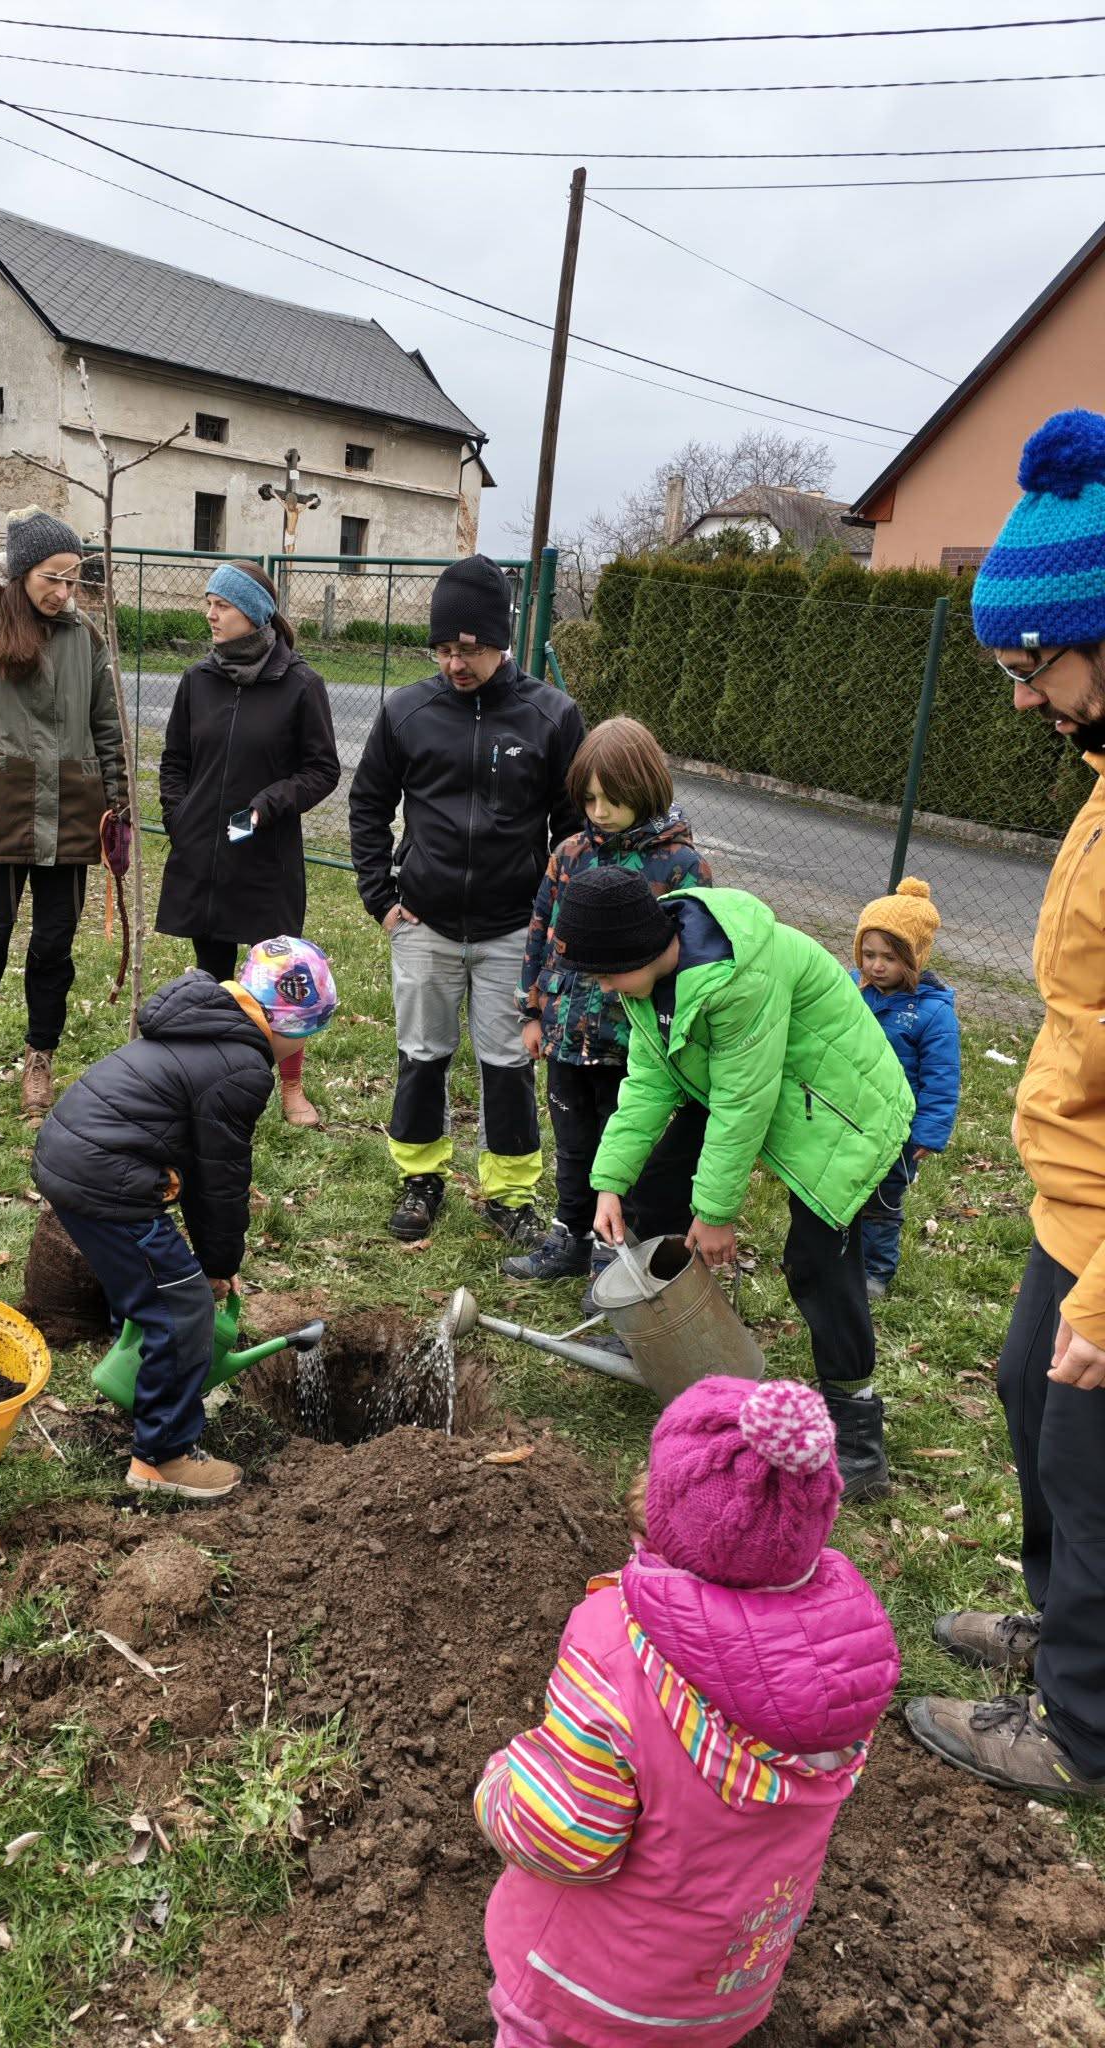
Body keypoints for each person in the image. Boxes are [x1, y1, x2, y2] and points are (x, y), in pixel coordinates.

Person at [476, 1374, 899, 2048]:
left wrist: (503, 1784)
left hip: (587, 1990)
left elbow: (569, 1836)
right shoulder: (848, 1659)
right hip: (726, 1988)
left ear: (667, 1509)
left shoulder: (613, 1646)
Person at [906, 407, 1105, 1800]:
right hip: (1072, 1190)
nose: (1025, 699)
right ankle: (1063, 1638)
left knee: (1097, 1470)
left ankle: (1085, 1732)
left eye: (1037, 664)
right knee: (1032, 1415)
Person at [567, 869, 914, 1498]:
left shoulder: (738, 975)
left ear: (633, 952)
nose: (600, 986)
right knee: (654, 1185)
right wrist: (610, 1182)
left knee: (818, 1261)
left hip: (838, 1111)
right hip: (766, 1093)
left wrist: (717, 1212)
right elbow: (649, 1083)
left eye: (603, 973)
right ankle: (673, 1335)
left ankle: (858, 1430)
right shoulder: (647, 985)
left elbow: (743, 1102)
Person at [31, 937, 336, 1502]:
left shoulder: (206, 1024)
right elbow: (219, 1179)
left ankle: (154, 1395)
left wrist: (207, 1258)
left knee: (161, 1286)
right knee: (183, 1306)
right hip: (105, 1177)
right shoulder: (242, 1066)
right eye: (307, 1031)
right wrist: (216, 1266)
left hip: (73, 1156)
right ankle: (162, 1458)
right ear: (287, 1022)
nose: (303, 1044)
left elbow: (193, 1160)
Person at [348, 555, 585, 1245]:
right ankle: (419, 1178)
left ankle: (510, 1193)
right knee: (422, 1052)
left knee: (508, 1063)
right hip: (424, 921)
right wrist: (380, 895)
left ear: (500, 641)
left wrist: (553, 917)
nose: (456, 663)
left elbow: (573, 825)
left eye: (471, 649)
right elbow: (368, 804)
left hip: (515, 928)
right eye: (445, 649)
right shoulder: (407, 711)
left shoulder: (550, 715)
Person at [0, 507, 127, 1119]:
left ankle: (40, 1058)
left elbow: (109, 728)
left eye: (74, 580)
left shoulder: (85, 637)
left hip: (70, 819)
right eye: (52, 578)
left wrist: (118, 812)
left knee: (53, 950)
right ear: (21, 573)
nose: (64, 593)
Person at [508, 715, 712, 1281]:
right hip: (568, 1035)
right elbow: (539, 929)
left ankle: (614, 1254)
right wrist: (532, 1010)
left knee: (625, 1148)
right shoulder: (570, 853)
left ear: (646, 789)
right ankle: (568, 1237)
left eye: (612, 798)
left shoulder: (681, 866)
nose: (598, 811)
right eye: (589, 798)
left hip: (633, 1045)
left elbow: (692, 959)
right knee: (573, 1144)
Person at [155, 561, 340, 1129]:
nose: (210, 614)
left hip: (264, 857)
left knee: (278, 980)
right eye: (208, 602)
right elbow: (175, 762)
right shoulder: (198, 681)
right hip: (205, 853)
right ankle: (211, 1080)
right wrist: (181, 816)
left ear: (254, 615)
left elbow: (322, 769)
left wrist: (269, 804)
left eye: (223, 605)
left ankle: (289, 1086)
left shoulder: (299, 684)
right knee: (211, 974)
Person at [853, 878, 960, 1300]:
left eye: (891, 957)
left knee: (882, 1200)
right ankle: (838, 1257)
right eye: (869, 954)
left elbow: (941, 1077)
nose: (877, 966)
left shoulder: (932, 1014)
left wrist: (930, 1132)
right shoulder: (850, 990)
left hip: (897, 1131)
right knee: (841, 1190)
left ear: (914, 958)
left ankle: (875, 1270)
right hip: (847, 1117)